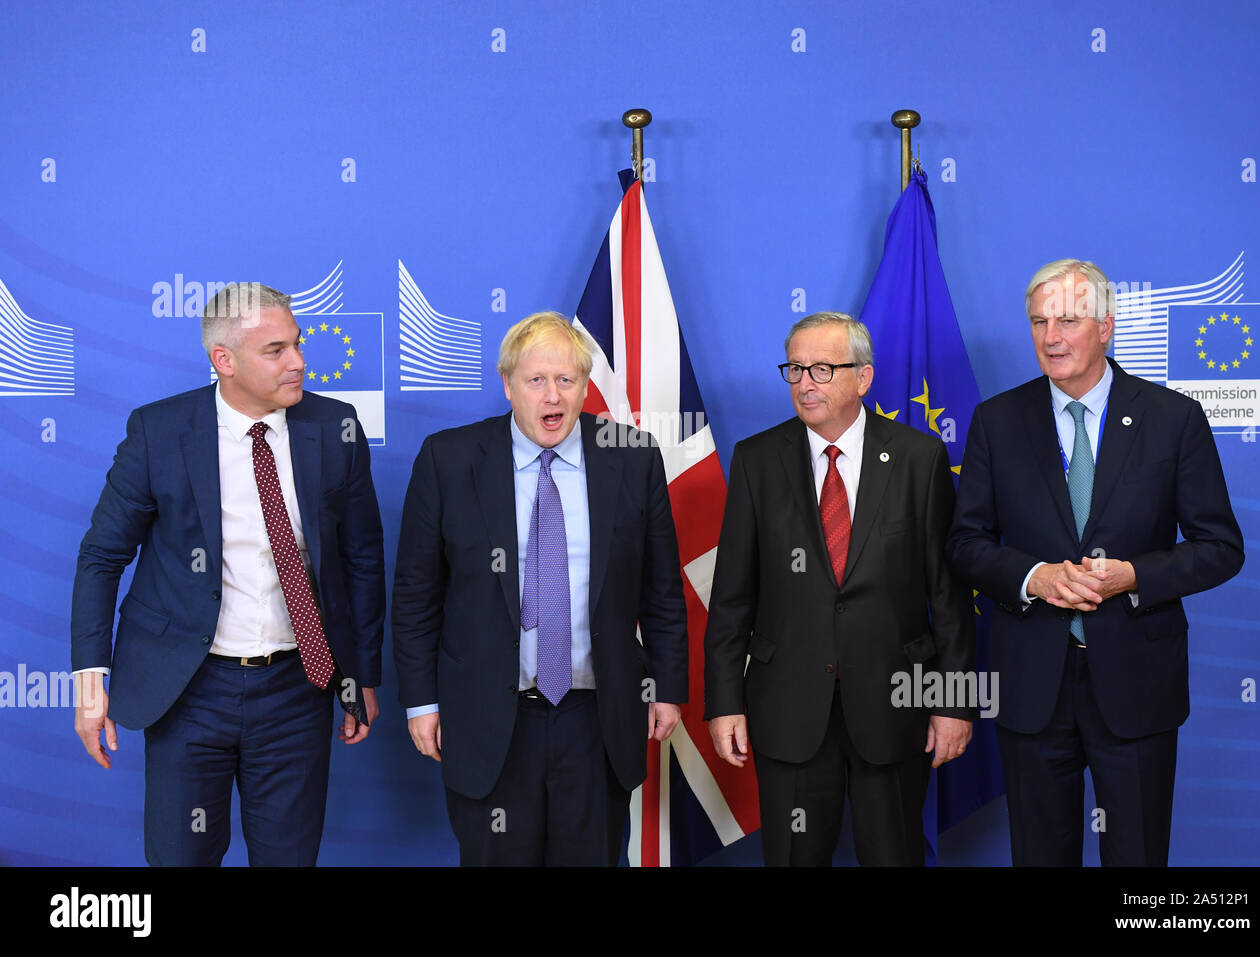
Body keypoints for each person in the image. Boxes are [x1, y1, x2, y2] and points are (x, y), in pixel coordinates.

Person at [70, 282, 385, 866]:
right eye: (275, 351)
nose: (298, 362)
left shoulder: (337, 428)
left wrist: (360, 675)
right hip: (187, 692)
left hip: (299, 690)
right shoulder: (159, 432)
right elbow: (101, 556)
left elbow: (361, 558)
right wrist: (91, 683)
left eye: (296, 344)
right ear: (225, 361)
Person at [946, 259, 1245, 865]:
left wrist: (1136, 576)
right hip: (1032, 687)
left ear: (1106, 326)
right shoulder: (998, 421)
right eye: (1038, 322)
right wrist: (1036, 577)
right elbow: (965, 543)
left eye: (1068, 320)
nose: (1051, 337)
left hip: (1136, 682)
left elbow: (1220, 548)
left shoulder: (1173, 419)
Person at [391, 311, 687, 866]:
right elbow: (415, 595)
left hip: (596, 718)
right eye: (536, 381)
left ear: (584, 385)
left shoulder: (632, 455)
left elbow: (662, 588)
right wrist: (422, 702)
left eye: (567, 380)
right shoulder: (449, 459)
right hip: (488, 717)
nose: (553, 396)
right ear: (508, 385)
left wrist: (667, 686)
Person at [704, 311, 975, 866]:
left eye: (823, 369)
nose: (806, 383)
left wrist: (954, 701)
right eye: (796, 369)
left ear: (864, 378)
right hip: (788, 707)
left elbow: (949, 596)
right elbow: (732, 596)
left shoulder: (918, 459)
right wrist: (724, 702)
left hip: (896, 703)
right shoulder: (756, 460)